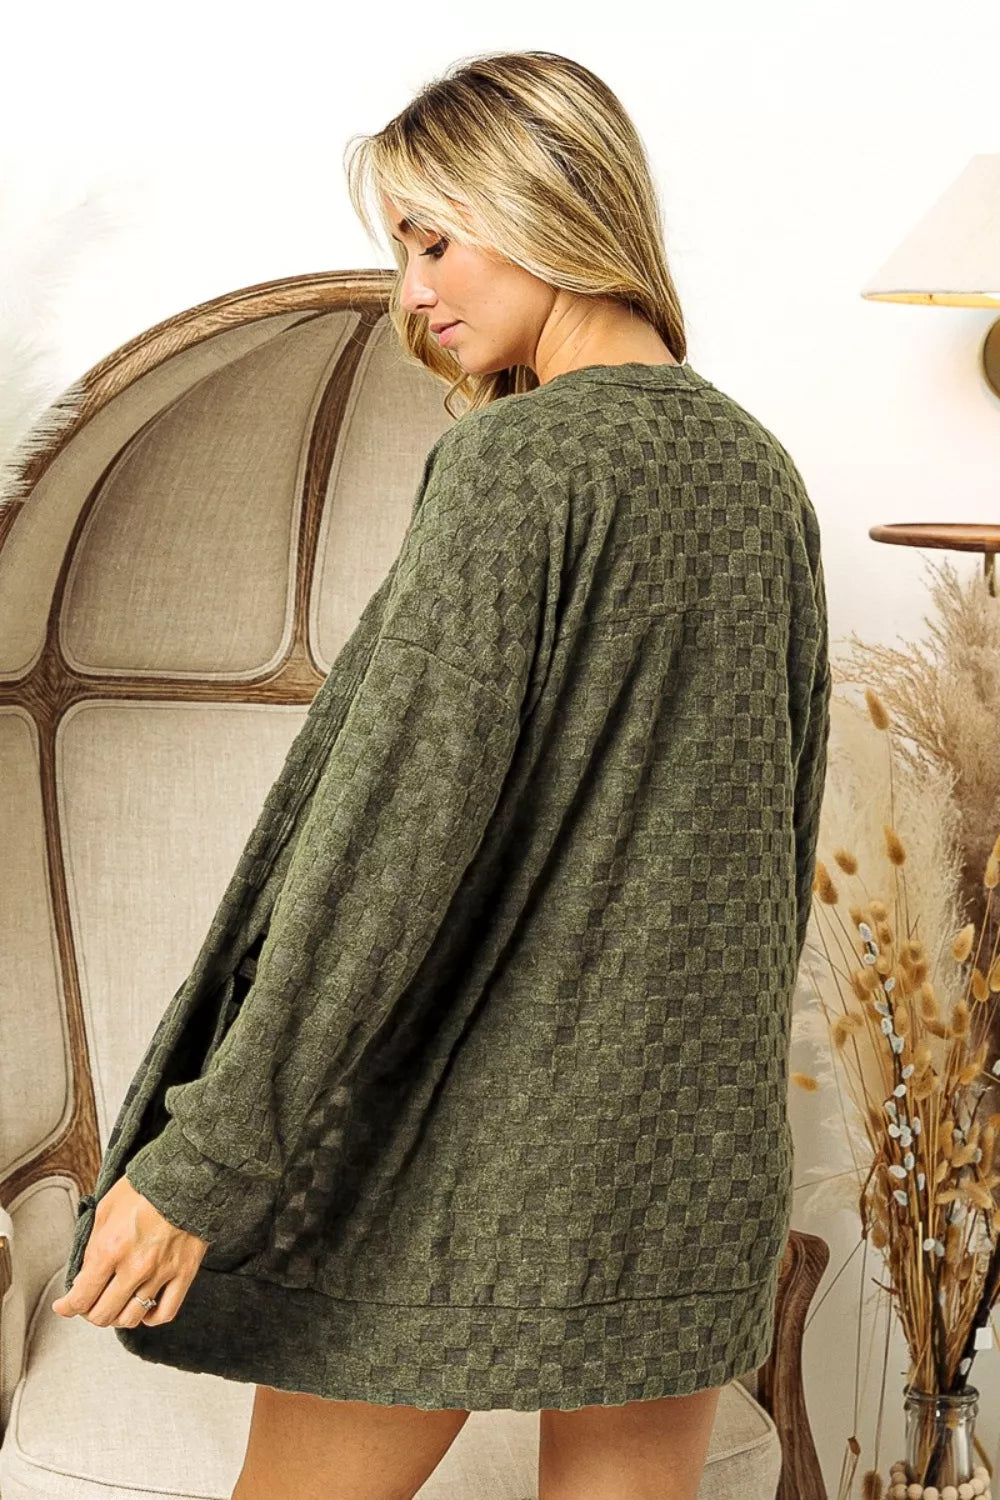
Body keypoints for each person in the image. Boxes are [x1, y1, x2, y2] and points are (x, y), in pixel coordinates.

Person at [54, 48, 831, 1500]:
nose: (410, 293)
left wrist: (206, 1155)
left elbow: (384, 841)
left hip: (480, 1154)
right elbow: (774, 855)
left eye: (432, 240)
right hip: (686, 1160)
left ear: (548, 207)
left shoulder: (520, 468)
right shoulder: (760, 471)